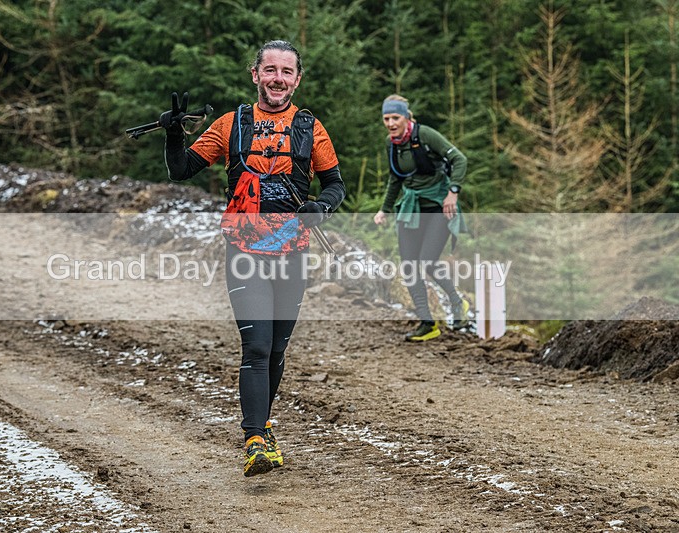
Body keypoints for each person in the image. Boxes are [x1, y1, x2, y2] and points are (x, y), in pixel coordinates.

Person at [163, 40, 345, 477]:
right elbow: (181, 169)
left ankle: (263, 428)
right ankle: (255, 440)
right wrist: (173, 132)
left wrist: (321, 208)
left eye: (286, 71)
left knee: (277, 351)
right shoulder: (232, 124)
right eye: (270, 70)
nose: (277, 78)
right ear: (255, 75)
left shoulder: (310, 127)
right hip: (244, 252)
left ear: (296, 79)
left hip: (293, 254)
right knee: (257, 347)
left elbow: (335, 185)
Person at [373, 94, 470, 342]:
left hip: (439, 207)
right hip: (411, 209)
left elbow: (459, 159)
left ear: (406, 117)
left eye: (395, 117)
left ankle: (458, 303)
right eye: (386, 118)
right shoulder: (391, 143)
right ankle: (428, 323)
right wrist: (384, 209)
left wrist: (453, 192)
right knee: (409, 267)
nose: (391, 123)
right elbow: (395, 177)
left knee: (427, 261)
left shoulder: (425, 135)